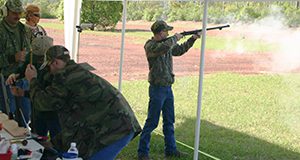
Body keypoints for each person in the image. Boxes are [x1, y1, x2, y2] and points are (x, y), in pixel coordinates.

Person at [25, 45, 142, 160]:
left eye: (48, 67)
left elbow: (43, 103)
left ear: (55, 63)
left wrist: (32, 80)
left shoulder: (65, 77)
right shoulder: (74, 72)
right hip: (116, 126)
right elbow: (74, 121)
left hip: (114, 130)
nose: (49, 72)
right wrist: (54, 143)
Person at [137, 20, 201, 160]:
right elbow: (165, 47)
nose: (168, 33)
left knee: (169, 121)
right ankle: (142, 153)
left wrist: (192, 38)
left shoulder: (166, 44)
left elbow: (179, 50)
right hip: (157, 88)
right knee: (152, 122)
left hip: (167, 88)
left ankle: (171, 150)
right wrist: (176, 37)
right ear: (160, 33)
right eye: (166, 31)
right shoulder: (151, 45)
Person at [7, 36, 61, 139]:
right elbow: (24, 69)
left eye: (42, 58)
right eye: (37, 57)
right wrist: (15, 75)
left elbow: (47, 97)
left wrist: (24, 93)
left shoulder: (58, 70)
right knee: (37, 135)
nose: (39, 62)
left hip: (53, 110)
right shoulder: (32, 57)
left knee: (56, 138)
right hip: (37, 108)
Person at [0, 0, 32, 125]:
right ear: (5, 12)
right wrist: (13, 58)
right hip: (5, 79)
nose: (17, 16)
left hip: (23, 78)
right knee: (8, 114)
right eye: (14, 13)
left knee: (25, 113)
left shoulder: (24, 29)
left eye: (19, 13)